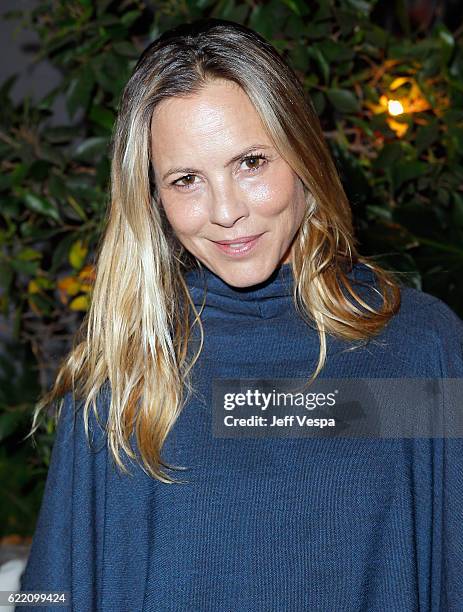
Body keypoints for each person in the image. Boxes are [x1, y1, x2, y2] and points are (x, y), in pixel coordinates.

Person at [18, 17, 463, 612]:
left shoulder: (418, 350)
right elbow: (51, 593)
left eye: (251, 163)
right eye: (186, 179)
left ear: (303, 155)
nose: (225, 211)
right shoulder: (123, 374)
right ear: (153, 198)